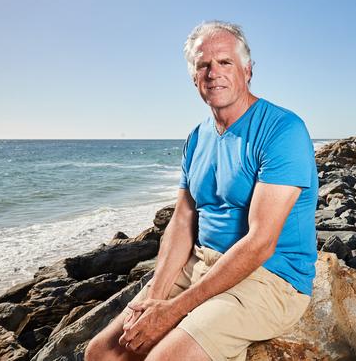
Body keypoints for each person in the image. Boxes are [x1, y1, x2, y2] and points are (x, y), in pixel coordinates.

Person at [84, 21, 318, 361]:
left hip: (270, 277)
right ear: (194, 77)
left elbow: (261, 242)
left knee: (163, 358)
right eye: (203, 65)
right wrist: (156, 298)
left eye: (225, 62)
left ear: (247, 70)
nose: (213, 73)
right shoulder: (197, 138)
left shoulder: (283, 130)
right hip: (201, 264)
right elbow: (182, 221)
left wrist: (174, 310)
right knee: (102, 353)